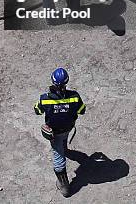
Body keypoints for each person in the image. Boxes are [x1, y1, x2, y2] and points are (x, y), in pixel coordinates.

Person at [34, 68, 86, 197]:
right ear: (67, 81)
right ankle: (65, 147)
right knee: (64, 138)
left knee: (59, 158)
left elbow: (37, 110)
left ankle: (64, 186)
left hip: (54, 133)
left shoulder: (45, 99)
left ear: (53, 81)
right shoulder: (74, 97)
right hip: (68, 127)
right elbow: (82, 110)